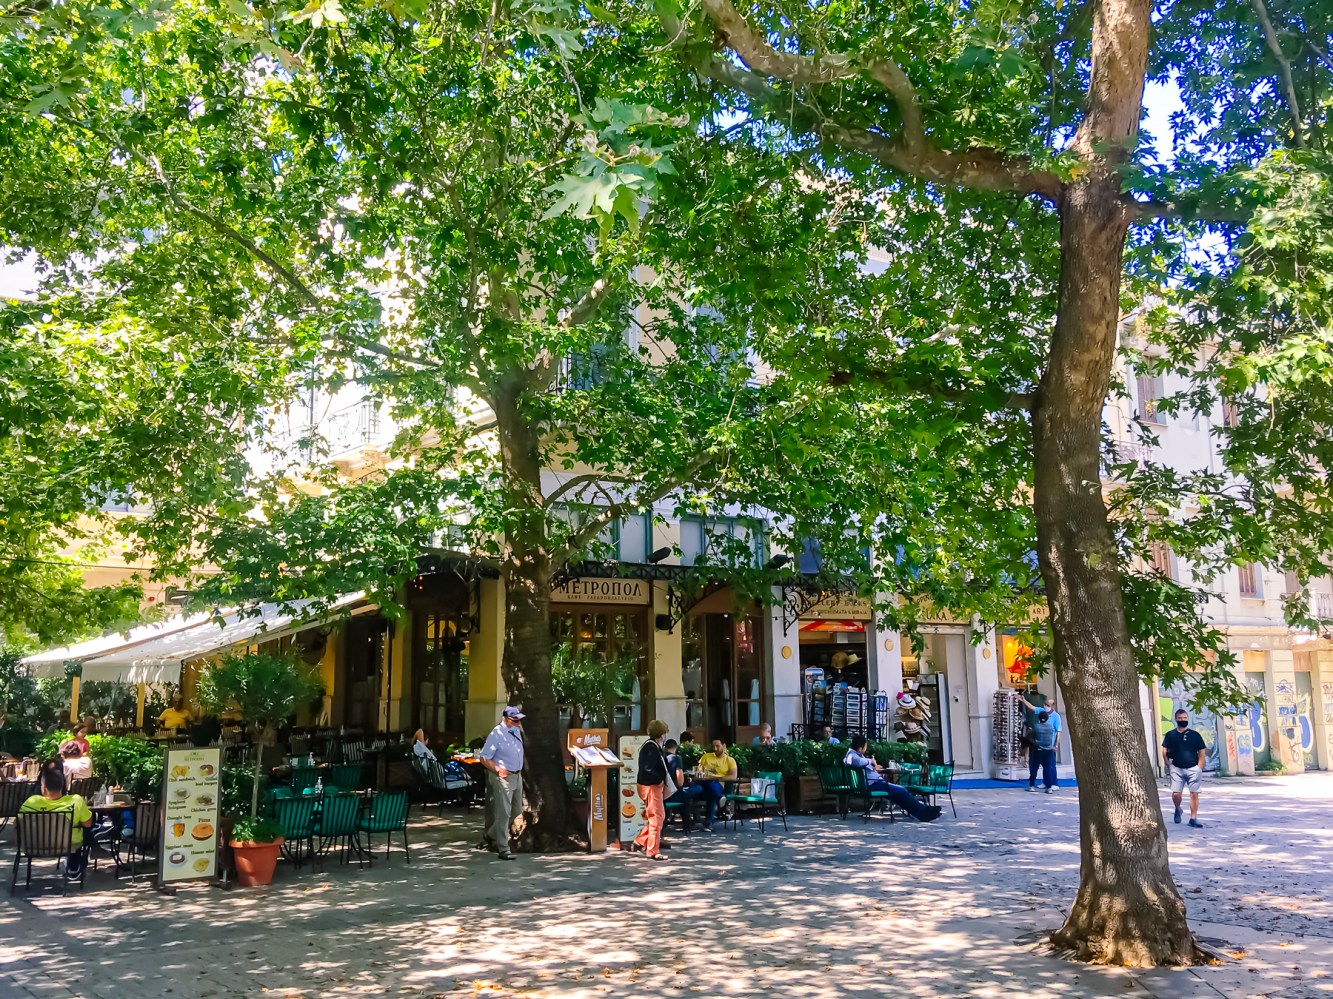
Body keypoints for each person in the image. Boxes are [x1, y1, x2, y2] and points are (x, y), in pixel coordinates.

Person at [843, 736, 942, 822]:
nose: (866, 749)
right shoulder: (852, 755)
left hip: (873, 783)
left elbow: (861, 764)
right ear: (860, 748)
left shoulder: (856, 755)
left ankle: (923, 812)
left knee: (899, 794)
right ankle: (924, 812)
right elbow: (858, 762)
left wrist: (873, 767)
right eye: (865, 747)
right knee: (901, 790)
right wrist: (871, 761)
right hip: (872, 785)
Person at [20, 765, 94, 878]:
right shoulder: (76, 801)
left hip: (34, 845)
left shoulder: (31, 802)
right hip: (67, 845)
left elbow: (17, 824)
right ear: (63, 786)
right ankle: (74, 867)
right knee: (87, 832)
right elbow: (88, 824)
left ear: (43, 788)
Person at [479, 706, 525, 860]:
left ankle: (491, 834)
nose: (519, 723)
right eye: (516, 720)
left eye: (520, 720)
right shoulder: (497, 734)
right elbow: (484, 757)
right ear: (506, 719)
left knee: (517, 809)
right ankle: (503, 849)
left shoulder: (516, 730)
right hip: (503, 777)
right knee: (503, 813)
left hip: (517, 776)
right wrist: (498, 770)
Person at [631, 720, 671, 860]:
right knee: (657, 818)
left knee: (657, 817)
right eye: (665, 732)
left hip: (649, 786)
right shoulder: (651, 747)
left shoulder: (650, 745)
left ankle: (640, 841)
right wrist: (660, 779)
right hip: (651, 786)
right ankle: (653, 850)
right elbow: (648, 769)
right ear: (661, 733)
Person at [1163, 708, 1207, 828]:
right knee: (1176, 794)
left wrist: (1200, 767)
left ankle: (1193, 818)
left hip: (1193, 768)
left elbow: (1202, 751)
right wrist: (1168, 764)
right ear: (1176, 719)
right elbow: (1164, 750)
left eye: (1185, 718)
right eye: (1180, 718)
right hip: (1176, 768)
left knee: (1194, 794)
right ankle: (1178, 808)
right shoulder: (1170, 735)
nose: (1183, 720)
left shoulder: (1195, 735)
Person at [696, 738, 737, 831]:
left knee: (712, 790)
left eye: (717, 746)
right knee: (708, 792)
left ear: (724, 746)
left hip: (717, 784)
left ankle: (708, 822)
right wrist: (700, 773)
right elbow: (699, 770)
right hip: (703, 784)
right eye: (713, 746)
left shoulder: (729, 760)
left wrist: (717, 778)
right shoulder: (706, 757)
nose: (715, 748)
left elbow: (733, 776)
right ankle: (719, 799)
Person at [662, 739, 704, 831]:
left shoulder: (660, 757)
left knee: (686, 798)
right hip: (672, 794)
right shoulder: (676, 758)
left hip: (660, 794)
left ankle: (687, 824)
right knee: (698, 788)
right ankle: (689, 824)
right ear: (675, 748)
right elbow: (680, 782)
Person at [1025, 711, 1058, 793]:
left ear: (1038, 718)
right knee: (1047, 768)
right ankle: (1049, 788)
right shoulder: (1050, 727)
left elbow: (1028, 737)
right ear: (1047, 718)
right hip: (1048, 750)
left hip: (1038, 749)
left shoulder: (1035, 727)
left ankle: (1031, 786)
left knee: (1034, 768)